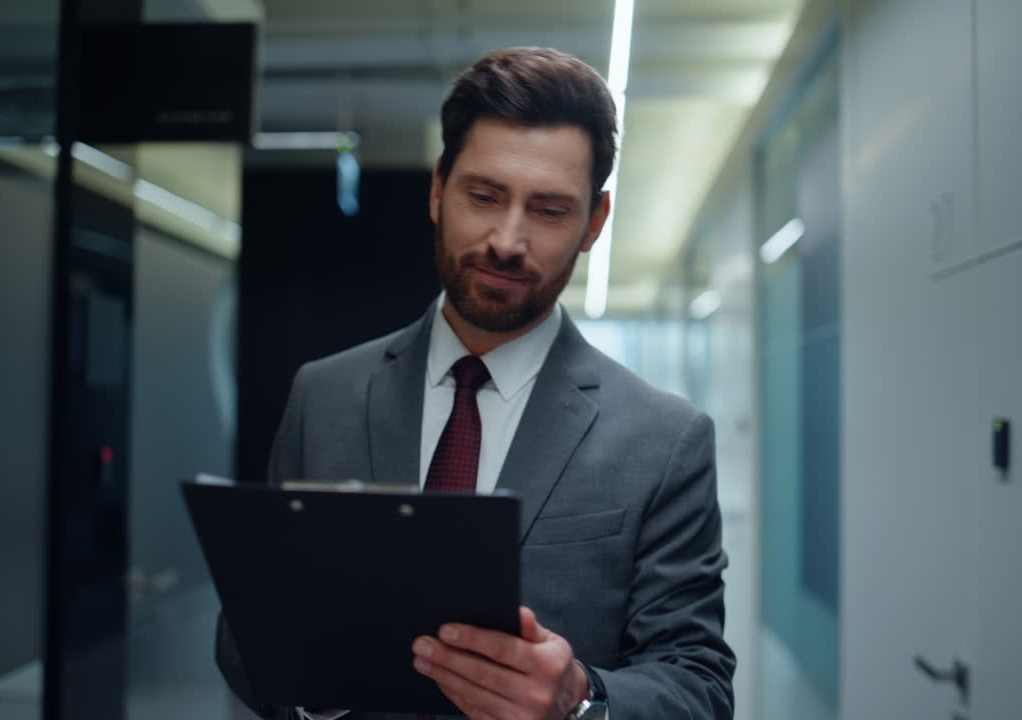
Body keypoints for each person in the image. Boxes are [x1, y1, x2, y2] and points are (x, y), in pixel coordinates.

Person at [217, 46, 736, 720]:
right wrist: (301, 676)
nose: (507, 240)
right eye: (484, 196)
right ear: (438, 189)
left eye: (549, 210)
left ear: (593, 225)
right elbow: (243, 631)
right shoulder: (325, 397)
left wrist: (580, 702)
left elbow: (698, 684)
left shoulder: (665, 439)